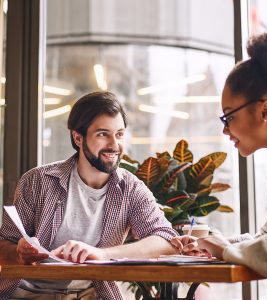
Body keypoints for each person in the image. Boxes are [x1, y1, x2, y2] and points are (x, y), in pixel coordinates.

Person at [0, 91, 178, 299]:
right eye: (103, 134)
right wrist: (19, 254)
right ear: (78, 137)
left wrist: (102, 255)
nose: (114, 145)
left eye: (119, 134)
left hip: (90, 294)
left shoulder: (130, 188)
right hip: (26, 294)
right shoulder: (38, 181)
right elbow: (4, 244)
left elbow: (166, 239)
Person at [171, 30, 267, 299]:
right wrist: (216, 243)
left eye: (228, 117)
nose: (225, 130)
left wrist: (225, 249)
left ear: (266, 111)